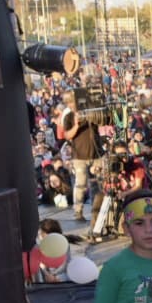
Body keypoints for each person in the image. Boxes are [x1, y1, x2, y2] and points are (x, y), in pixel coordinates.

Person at [56, 89, 105, 226]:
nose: (72, 106)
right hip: (79, 156)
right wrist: (77, 125)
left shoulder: (91, 112)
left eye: (73, 103)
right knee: (80, 184)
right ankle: (78, 212)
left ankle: (99, 210)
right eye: (70, 104)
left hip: (96, 153)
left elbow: (102, 122)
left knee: (99, 183)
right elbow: (67, 135)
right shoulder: (69, 117)